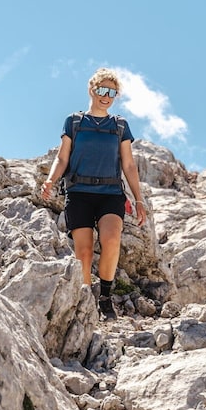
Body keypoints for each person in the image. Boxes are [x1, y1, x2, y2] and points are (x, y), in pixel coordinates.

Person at [41, 68, 147, 320]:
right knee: (84, 252)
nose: (106, 96)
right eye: (102, 90)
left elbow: (129, 165)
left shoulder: (120, 126)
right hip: (79, 193)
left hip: (110, 194)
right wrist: (50, 180)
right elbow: (62, 157)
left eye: (112, 92)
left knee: (111, 239)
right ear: (92, 89)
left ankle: (105, 298)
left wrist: (138, 199)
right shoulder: (74, 122)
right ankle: (86, 299)